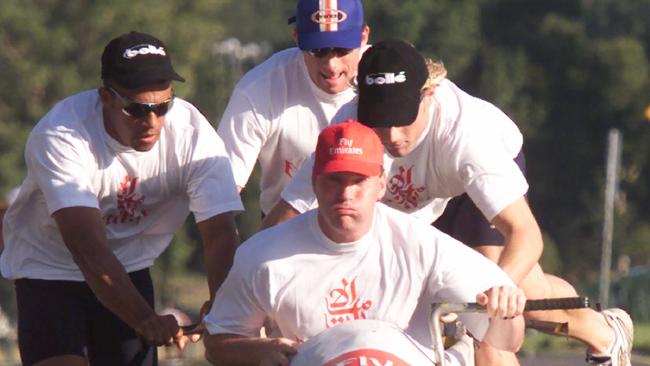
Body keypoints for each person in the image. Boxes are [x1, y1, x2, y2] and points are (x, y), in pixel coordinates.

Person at [263, 40, 634, 366]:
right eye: (380, 120)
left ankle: (602, 331)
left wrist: (496, 291)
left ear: (428, 96)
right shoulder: (351, 128)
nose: (392, 136)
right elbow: (287, 215)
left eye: (402, 119)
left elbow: (525, 233)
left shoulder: (466, 135)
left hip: (467, 187)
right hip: (418, 202)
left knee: (490, 316)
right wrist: (241, 287)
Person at [0, 31, 243, 366]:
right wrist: (145, 319)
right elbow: (88, 250)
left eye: (162, 107)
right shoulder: (62, 135)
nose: (152, 122)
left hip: (129, 266)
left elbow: (219, 233)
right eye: (137, 109)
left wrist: (223, 306)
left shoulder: (192, 134)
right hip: (49, 268)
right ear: (106, 97)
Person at [203, 120, 527, 366]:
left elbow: (509, 340)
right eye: (334, 180)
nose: (346, 194)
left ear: (382, 185)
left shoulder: (423, 245)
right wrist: (264, 350)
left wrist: (504, 312)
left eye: (358, 181)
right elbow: (217, 345)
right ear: (314, 183)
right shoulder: (262, 256)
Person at [216, 0, 369, 216]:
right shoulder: (261, 87)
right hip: (285, 226)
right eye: (318, 50)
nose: (331, 65)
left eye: (342, 49)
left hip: (372, 230)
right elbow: (222, 192)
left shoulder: (386, 78)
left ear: (364, 36)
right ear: (297, 38)